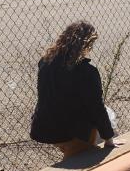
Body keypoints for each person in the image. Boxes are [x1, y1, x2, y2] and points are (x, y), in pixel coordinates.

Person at [30, 21, 121, 159]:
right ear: (86, 45)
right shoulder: (86, 71)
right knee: (103, 125)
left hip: (43, 127)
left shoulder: (45, 62)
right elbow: (96, 107)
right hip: (70, 132)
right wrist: (109, 139)